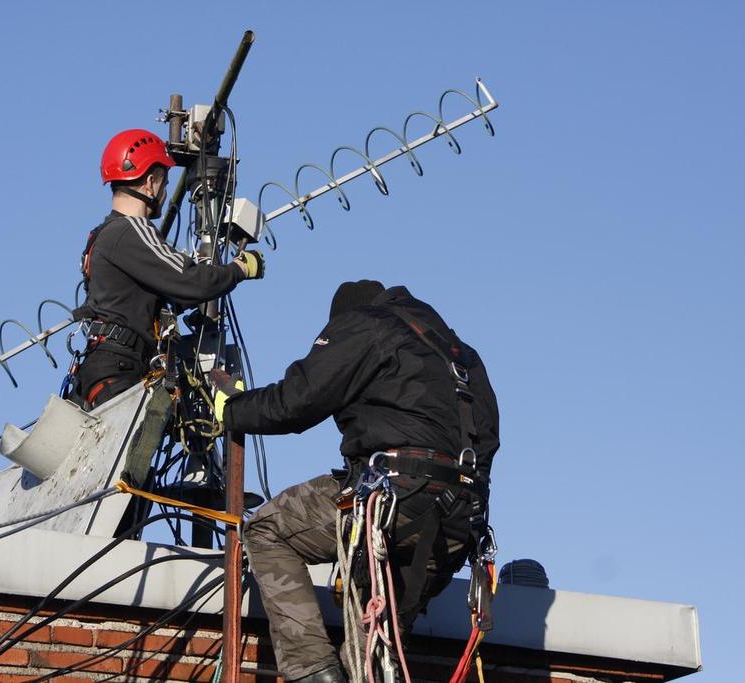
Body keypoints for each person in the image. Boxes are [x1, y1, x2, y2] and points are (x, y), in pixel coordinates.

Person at [211, 281, 500, 683]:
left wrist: (233, 409)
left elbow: (298, 400)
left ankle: (312, 671)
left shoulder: (367, 324)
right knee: (370, 656)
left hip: (394, 500)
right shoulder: (461, 355)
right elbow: (488, 442)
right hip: (456, 524)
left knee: (268, 529)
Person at [71, 128, 264, 409]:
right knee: (134, 449)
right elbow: (192, 281)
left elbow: (173, 293)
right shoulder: (132, 230)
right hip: (119, 369)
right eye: (164, 182)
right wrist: (239, 269)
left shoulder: (104, 235)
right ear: (150, 182)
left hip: (106, 368)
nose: (164, 193)